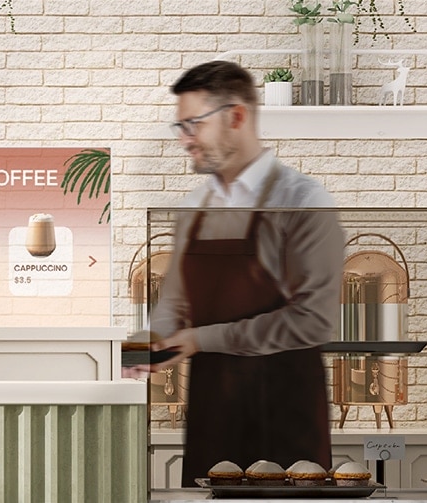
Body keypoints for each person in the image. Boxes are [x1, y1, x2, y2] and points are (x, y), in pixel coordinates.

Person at [133, 61, 346, 484]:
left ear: (236, 117)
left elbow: (313, 320)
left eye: (193, 124)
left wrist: (201, 339)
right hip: (214, 416)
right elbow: (173, 307)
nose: (184, 139)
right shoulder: (194, 209)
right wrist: (141, 347)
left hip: (287, 415)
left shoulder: (302, 201)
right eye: (180, 127)